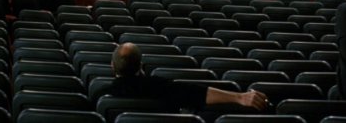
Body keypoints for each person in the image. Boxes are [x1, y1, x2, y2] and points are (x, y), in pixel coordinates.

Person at [105, 43, 269, 113]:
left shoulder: (101, 94)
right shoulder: (160, 88)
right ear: (141, 66)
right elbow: (196, 93)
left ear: (112, 66)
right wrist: (240, 97)